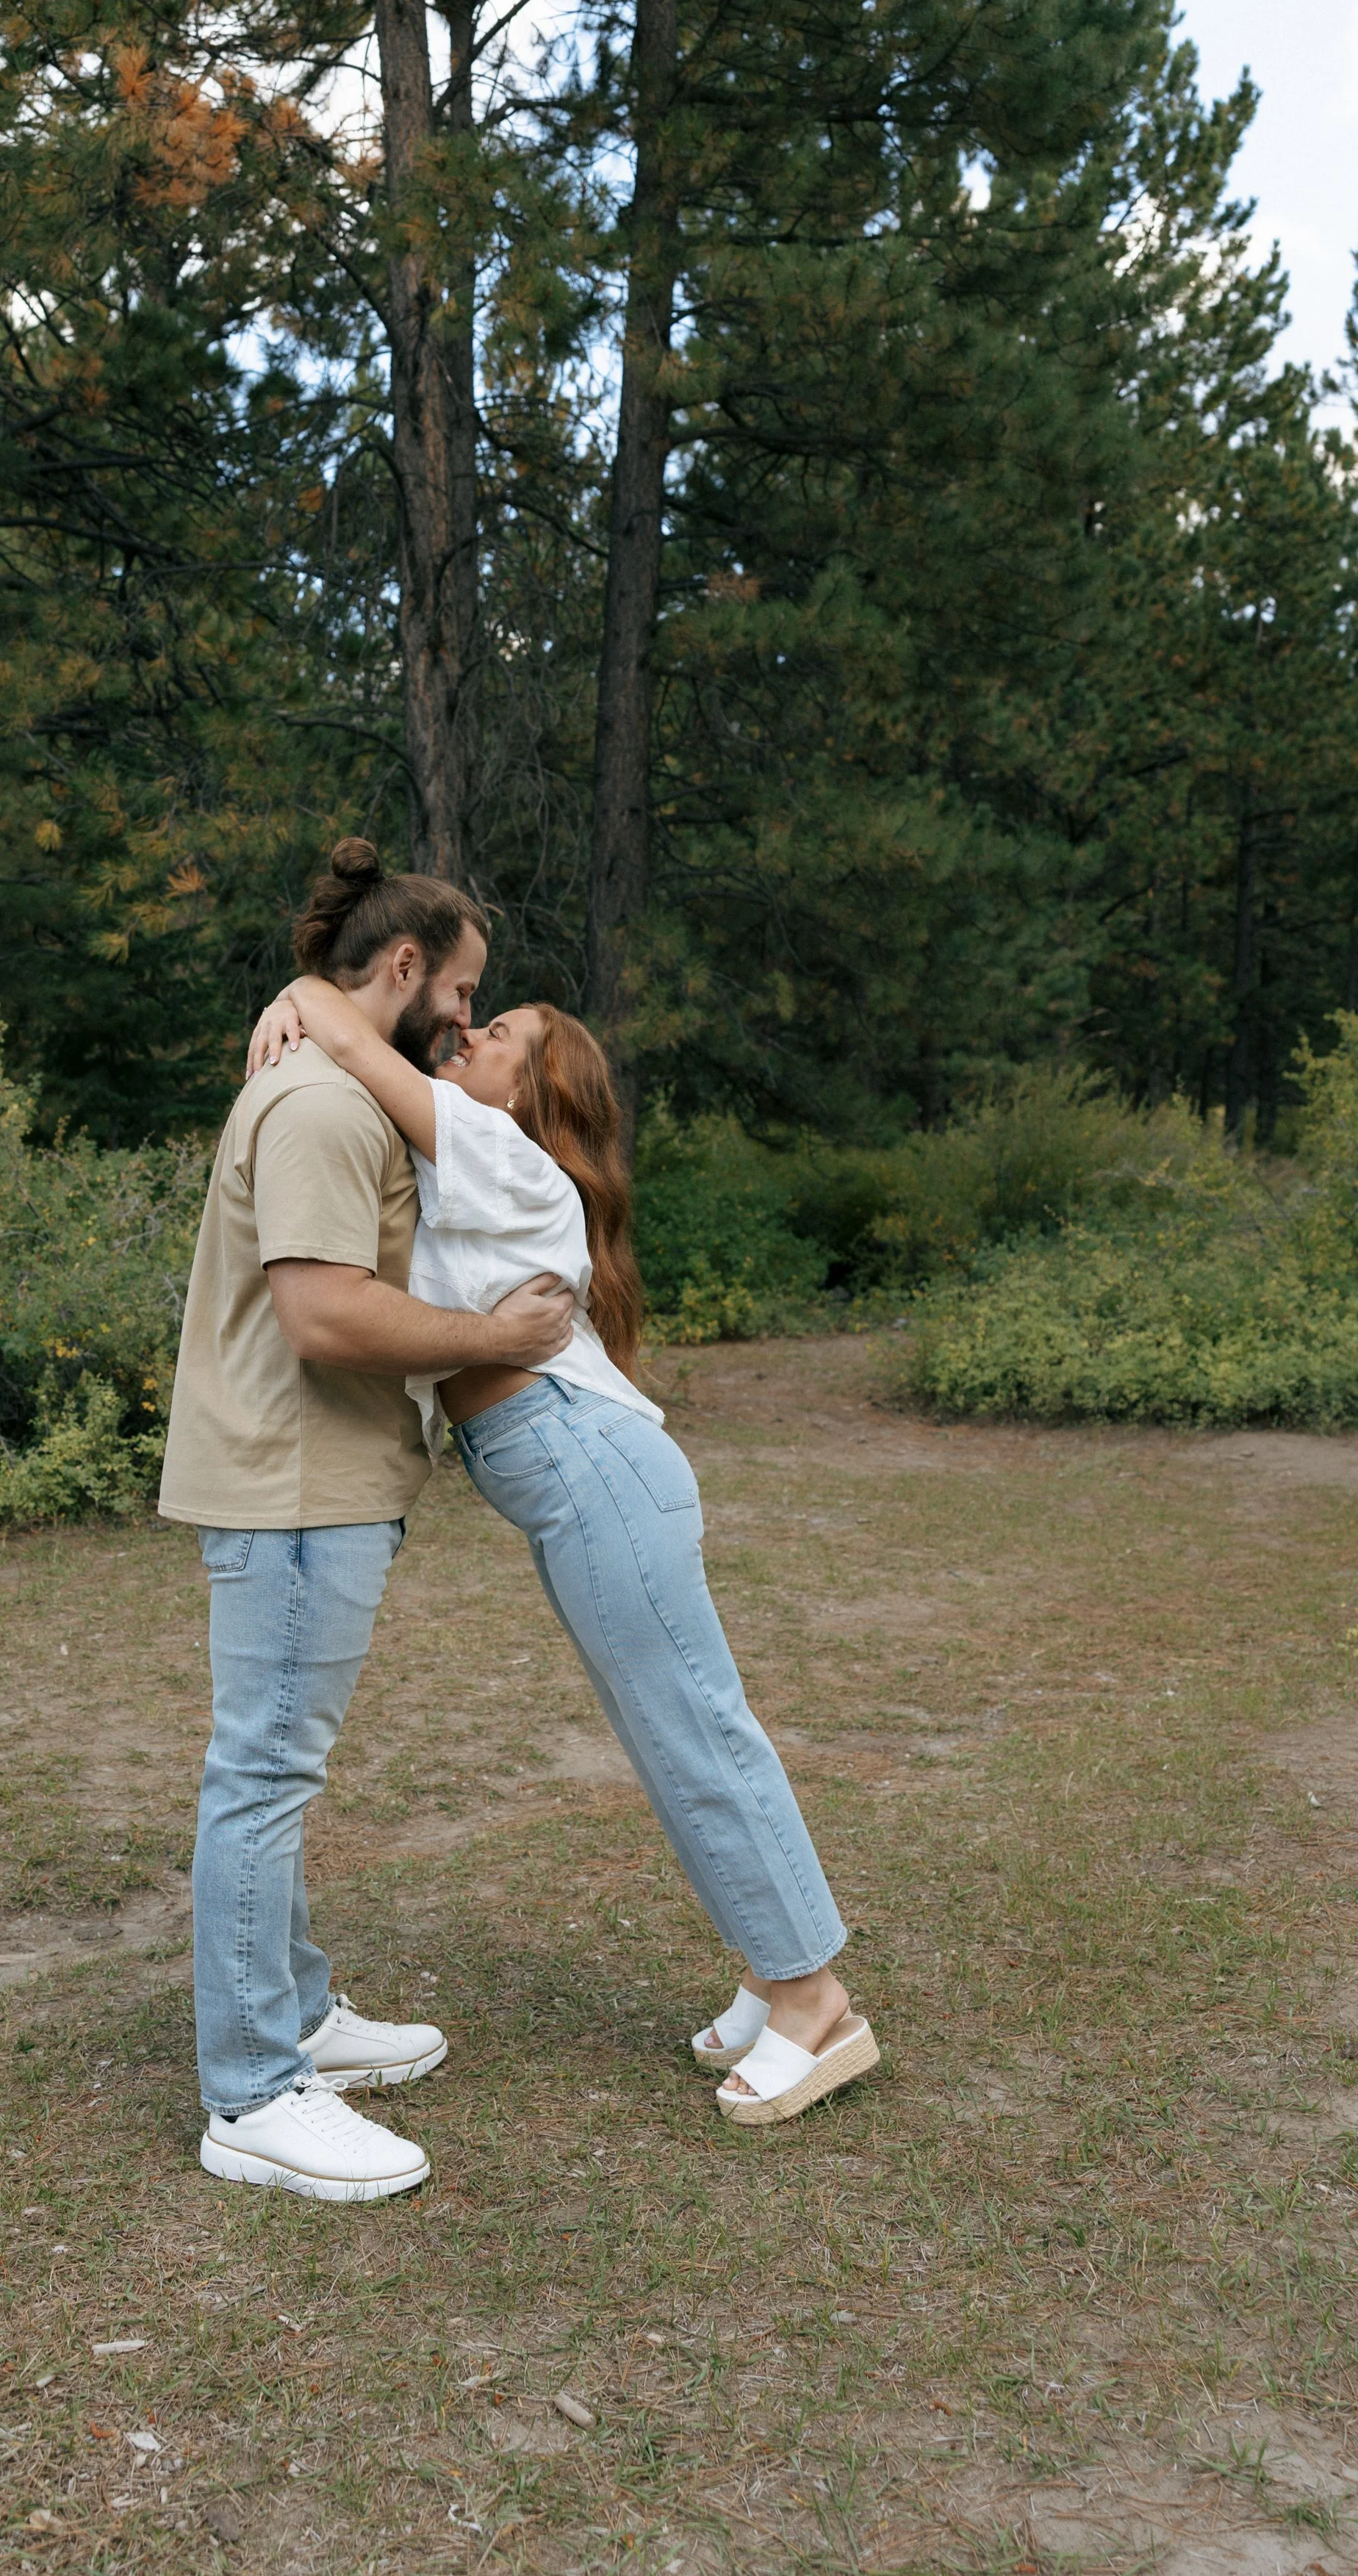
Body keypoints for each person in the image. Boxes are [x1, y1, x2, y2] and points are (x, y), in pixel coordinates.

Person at [246, 973, 878, 2130]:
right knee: (664, 1730)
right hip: (572, 1479)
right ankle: (767, 1967)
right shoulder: (469, 1162)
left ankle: (814, 1998)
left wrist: (299, 990)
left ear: (530, 1094)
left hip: (593, 1468)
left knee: (693, 1724)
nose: (468, 1035)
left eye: (497, 1035)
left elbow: (358, 1036)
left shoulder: (499, 1147)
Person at [159, 839, 578, 2202]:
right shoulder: (324, 1111)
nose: (465, 1017)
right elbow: (322, 1309)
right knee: (265, 1773)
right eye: (459, 990)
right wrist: (489, 1332)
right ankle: (253, 2094)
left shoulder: (339, 1083)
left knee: (277, 1765)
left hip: (316, 1487)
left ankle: (301, 2018)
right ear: (400, 971)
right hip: (291, 1490)